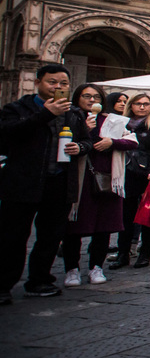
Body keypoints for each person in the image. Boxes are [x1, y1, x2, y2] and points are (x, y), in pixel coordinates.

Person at [0, 64, 90, 302]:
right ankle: (3, 284)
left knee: (50, 235)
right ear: (38, 82)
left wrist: (80, 147)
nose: (58, 87)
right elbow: (8, 135)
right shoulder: (17, 108)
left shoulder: (73, 113)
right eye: (52, 82)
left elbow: (87, 140)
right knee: (13, 236)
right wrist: (46, 114)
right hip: (23, 181)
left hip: (59, 181)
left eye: (63, 83)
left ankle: (39, 280)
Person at [60, 85, 138, 287]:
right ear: (77, 97)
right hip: (79, 179)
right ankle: (72, 269)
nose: (91, 100)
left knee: (103, 226)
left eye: (96, 96)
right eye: (87, 96)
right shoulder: (68, 117)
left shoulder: (112, 120)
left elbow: (132, 141)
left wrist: (112, 142)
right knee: (74, 226)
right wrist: (85, 130)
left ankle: (96, 267)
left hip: (107, 178)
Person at [112, 92, 150, 270]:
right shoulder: (122, 123)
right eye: (138, 104)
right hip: (126, 171)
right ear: (131, 106)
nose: (142, 107)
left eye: (146, 104)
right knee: (126, 214)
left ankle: (145, 251)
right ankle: (123, 253)